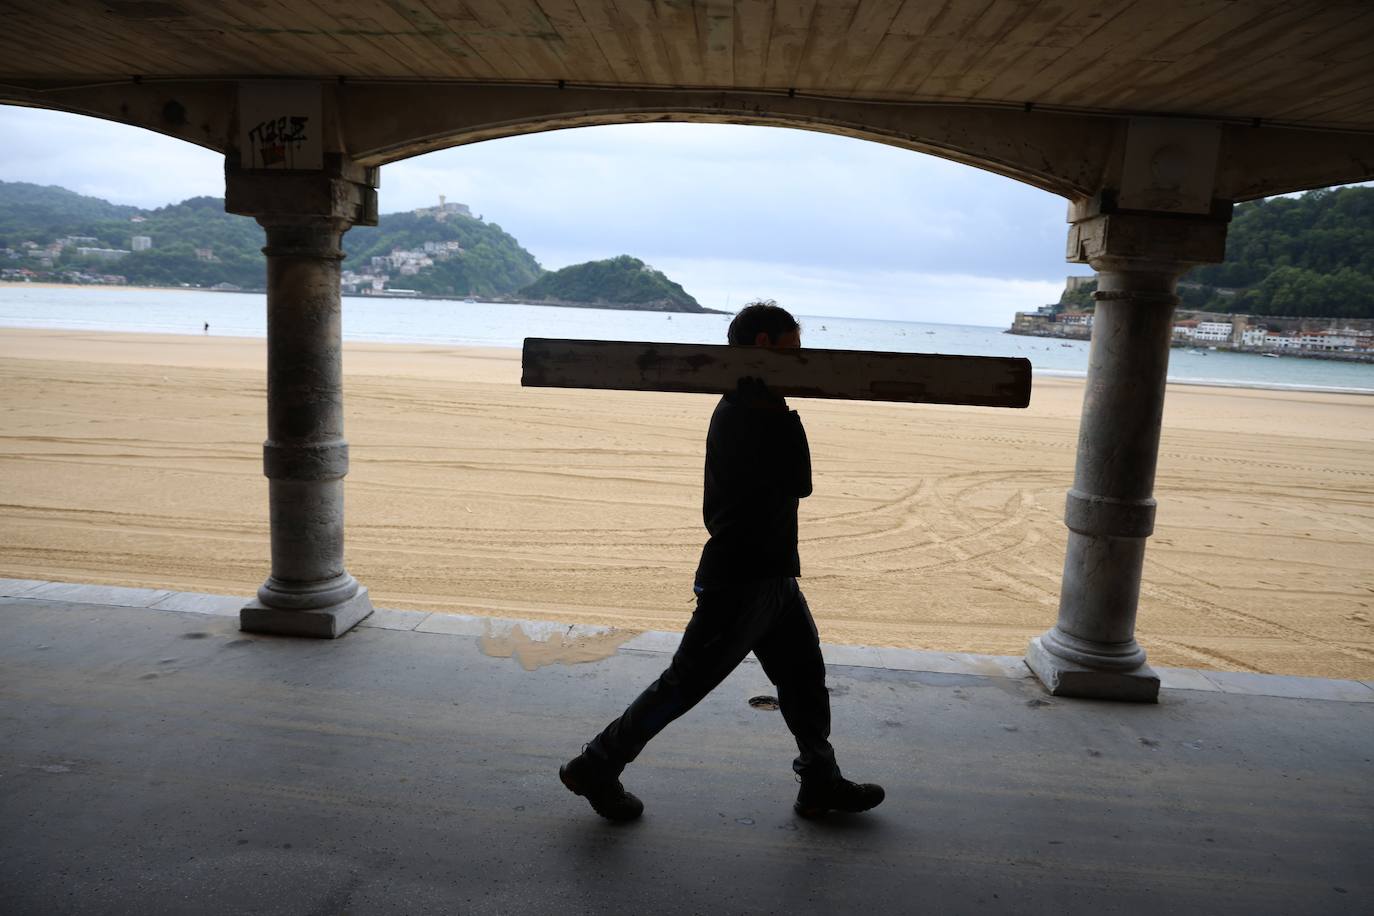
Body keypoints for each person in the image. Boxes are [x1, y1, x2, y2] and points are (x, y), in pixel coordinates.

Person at [560, 301, 885, 821]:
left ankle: (820, 780)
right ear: (762, 348)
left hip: (774, 578)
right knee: (683, 685)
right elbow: (800, 481)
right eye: (791, 351)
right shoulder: (745, 413)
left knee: (803, 681)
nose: (799, 362)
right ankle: (597, 764)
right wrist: (784, 413)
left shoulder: (748, 406)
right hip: (743, 579)